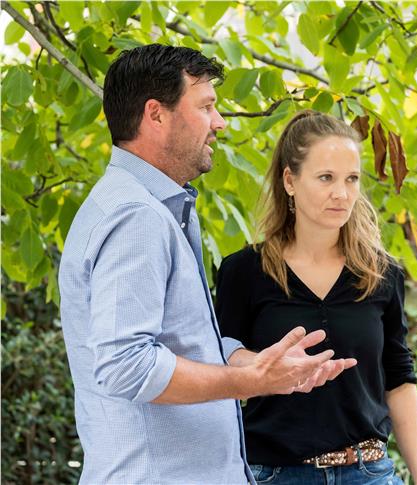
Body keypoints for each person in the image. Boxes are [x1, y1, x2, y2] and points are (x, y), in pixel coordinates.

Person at [59, 45, 355, 485]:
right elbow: (126, 364)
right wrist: (249, 382)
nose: (218, 123)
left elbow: (181, 346)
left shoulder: (152, 207)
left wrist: (259, 365)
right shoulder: (136, 216)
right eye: (206, 107)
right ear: (155, 115)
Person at [215, 110, 417, 484]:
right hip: (273, 474)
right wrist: (264, 365)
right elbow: (219, 363)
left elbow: (399, 380)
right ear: (290, 180)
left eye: (351, 179)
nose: (341, 194)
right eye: (326, 178)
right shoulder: (243, 271)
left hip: (369, 473)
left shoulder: (381, 274)